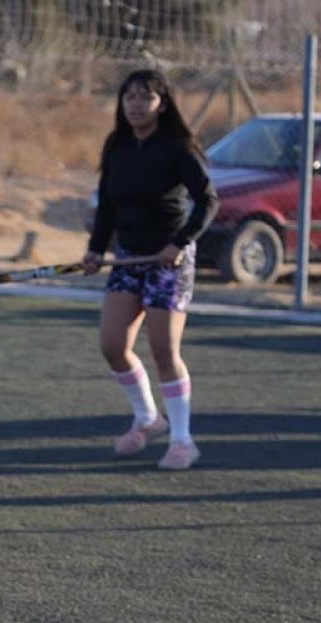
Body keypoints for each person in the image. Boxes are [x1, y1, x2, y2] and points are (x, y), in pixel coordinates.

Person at [84, 68, 219, 471]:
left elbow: (208, 201)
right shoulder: (117, 145)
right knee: (113, 345)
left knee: (163, 349)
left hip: (168, 261)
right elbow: (108, 205)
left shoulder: (177, 147)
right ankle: (147, 418)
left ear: (162, 103)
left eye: (146, 97)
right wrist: (94, 249)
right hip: (128, 256)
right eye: (130, 98)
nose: (137, 105)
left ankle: (182, 440)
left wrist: (179, 244)